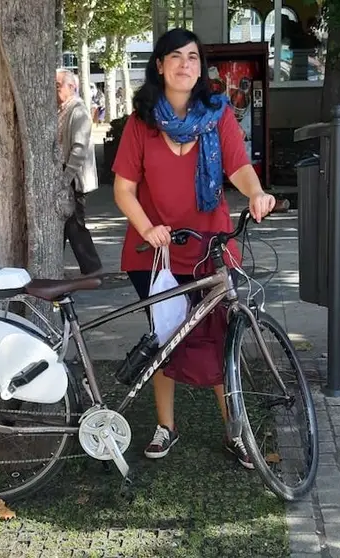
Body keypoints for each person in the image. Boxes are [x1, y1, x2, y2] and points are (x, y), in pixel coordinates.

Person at [112, 28, 277, 467]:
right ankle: (166, 426)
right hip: (156, 251)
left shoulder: (218, 114)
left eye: (193, 57)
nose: (186, 64)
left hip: (211, 247)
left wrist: (256, 193)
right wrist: (147, 228)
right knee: (163, 339)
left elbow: (238, 166)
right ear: (160, 66)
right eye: (176, 57)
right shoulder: (140, 123)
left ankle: (234, 430)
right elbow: (123, 189)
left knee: (223, 339)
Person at [56, 68, 103, 276]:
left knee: (75, 224)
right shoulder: (63, 109)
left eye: (58, 87)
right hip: (67, 176)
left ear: (71, 87)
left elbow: (79, 149)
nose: (54, 91)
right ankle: (88, 267)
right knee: (68, 224)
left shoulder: (78, 110)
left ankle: (93, 268)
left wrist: (66, 178)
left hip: (75, 179)